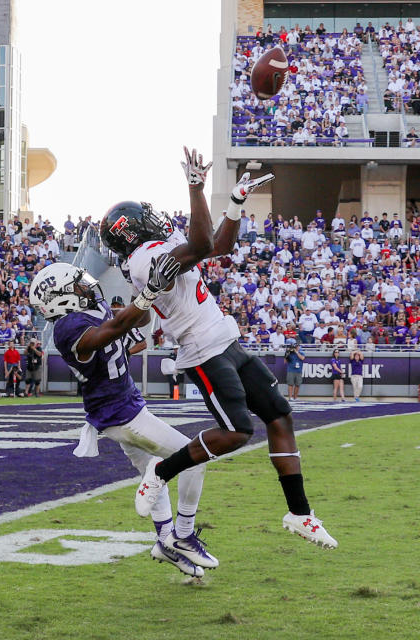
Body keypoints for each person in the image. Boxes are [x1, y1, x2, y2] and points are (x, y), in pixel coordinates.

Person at [102, 146, 336, 549]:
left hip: (225, 339)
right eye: (146, 218)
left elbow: (217, 246)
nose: (155, 220)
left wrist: (234, 204)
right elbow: (198, 248)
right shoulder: (141, 260)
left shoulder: (157, 244)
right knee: (237, 431)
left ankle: (300, 514)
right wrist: (196, 189)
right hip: (201, 351)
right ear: (132, 231)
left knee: (279, 415)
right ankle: (161, 472)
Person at [29, 256, 213, 576]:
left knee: (152, 479)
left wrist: (147, 290)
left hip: (124, 406)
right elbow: (115, 328)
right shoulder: (67, 328)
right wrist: (147, 293)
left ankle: (164, 541)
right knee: (194, 457)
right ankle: (182, 536)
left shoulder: (87, 311)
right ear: (61, 298)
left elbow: (136, 320)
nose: (85, 286)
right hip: (121, 415)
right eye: (76, 286)